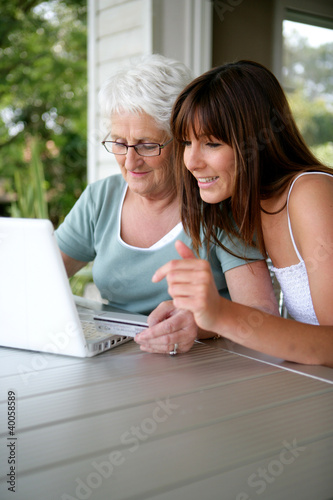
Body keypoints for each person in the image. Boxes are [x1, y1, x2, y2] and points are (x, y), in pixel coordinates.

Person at [55, 55, 278, 355]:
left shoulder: (219, 203)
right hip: (115, 357)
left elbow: (260, 312)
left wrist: (200, 323)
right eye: (119, 143)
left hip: (205, 361)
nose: (130, 161)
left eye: (147, 145)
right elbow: (37, 276)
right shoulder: (101, 198)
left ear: (183, 140)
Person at [144, 59, 333, 366]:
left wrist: (220, 312)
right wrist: (199, 319)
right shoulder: (247, 206)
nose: (191, 162)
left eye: (212, 143)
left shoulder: (310, 193)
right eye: (186, 142)